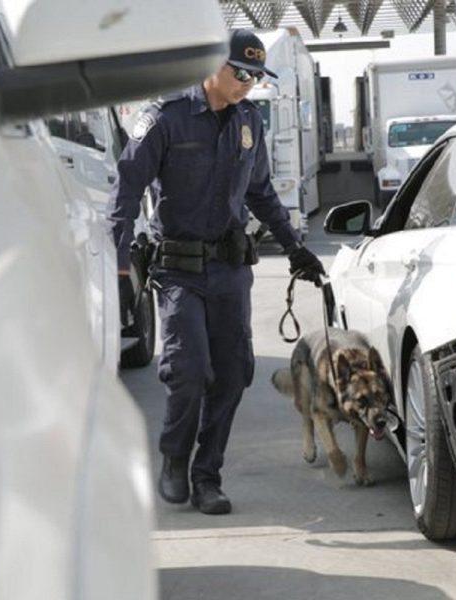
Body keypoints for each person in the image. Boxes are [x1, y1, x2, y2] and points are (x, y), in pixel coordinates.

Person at [111, 29, 324, 515]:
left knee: (231, 375)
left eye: (256, 76)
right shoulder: (166, 117)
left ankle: (207, 476)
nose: (248, 83)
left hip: (230, 270)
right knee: (187, 370)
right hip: (179, 272)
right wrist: (119, 265)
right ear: (212, 65)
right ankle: (175, 457)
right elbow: (126, 188)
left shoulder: (249, 122)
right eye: (241, 72)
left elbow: (261, 192)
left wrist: (295, 248)